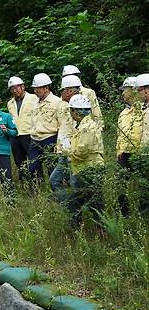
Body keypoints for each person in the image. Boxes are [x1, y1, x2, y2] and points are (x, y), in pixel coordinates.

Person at [58, 94, 105, 225]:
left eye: (71, 110)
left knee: (94, 202)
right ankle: (77, 227)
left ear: (76, 111)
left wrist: (67, 151)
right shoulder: (83, 125)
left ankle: (101, 229)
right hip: (82, 169)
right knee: (78, 201)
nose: (71, 113)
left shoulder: (87, 127)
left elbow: (82, 151)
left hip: (90, 169)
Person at [28, 73, 65, 182]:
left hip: (50, 138)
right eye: (34, 88)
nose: (35, 91)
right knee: (32, 167)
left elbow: (62, 124)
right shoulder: (34, 103)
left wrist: (59, 143)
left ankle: (55, 192)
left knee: (52, 168)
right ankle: (38, 189)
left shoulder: (57, 102)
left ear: (46, 88)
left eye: (37, 89)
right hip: (35, 139)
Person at [49, 75, 80, 200]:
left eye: (63, 90)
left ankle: (73, 209)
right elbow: (61, 128)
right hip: (64, 151)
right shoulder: (62, 105)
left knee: (73, 184)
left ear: (70, 91)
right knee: (56, 181)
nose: (61, 93)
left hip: (74, 153)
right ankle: (68, 205)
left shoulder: (80, 107)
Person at [7, 76, 37, 181]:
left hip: (29, 134)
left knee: (34, 161)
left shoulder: (34, 98)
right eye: (12, 89)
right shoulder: (10, 103)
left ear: (23, 86)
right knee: (19, 162)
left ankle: (37, 182)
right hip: (15, 136)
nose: (15, 91)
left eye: (17, 88)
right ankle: (25, 183)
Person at [116, 77, 142, 168]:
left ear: (134, 90)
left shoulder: (143, 110)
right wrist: (119, 151)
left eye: (125, 90)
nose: (122, 93)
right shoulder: (124, 113)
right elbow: (120, 135)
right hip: (123, 155)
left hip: (139, 154)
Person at [138, 74, 149, 147]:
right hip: (142, 152)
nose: (138, 93)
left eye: (139, 90)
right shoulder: (141, 108)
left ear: (147, 91)